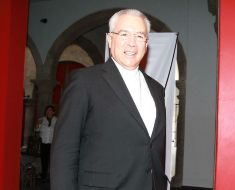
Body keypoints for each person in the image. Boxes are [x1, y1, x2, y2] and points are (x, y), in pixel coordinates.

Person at [50, 9, 167, 190]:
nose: (132, 43)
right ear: (110, 39)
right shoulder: (84, 81)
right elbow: (64, 151)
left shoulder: (157, 89)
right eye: (124, 34)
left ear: (146, 43)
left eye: (139, 36)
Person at [35, 105, 57, 180]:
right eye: (47, 110)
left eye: (50, 110)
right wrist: (37, 125)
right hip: (44, 143)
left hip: (52, 144)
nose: (48, 111)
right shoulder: (42, 119)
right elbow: (36, 130)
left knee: (52, 160)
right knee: (44, 160)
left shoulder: (56, 120)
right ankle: (44, 175)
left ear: (53, 112)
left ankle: (52, 176)